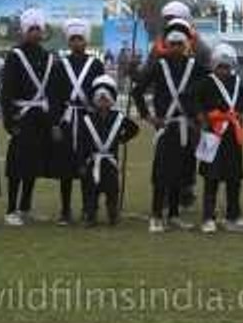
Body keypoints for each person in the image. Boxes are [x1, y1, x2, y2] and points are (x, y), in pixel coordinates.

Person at [131, 16, 207, 233]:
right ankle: (156, 216)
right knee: (162, 173)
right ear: (167, 44)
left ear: (186, 45)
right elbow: (137, 90)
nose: (176, 47)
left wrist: (200, 113)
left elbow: (211, 83)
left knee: (181, 173)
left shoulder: (195, 66)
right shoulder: (159, 66)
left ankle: (174, 215)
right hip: (167, 127)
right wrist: (148, 117)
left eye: (179, 44)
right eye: (172, 44)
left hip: (187, 127)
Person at [0, 8, 55, 226]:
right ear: (24, 31)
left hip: (39, 117)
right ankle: (11, 209)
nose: (35, 33)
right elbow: (7, 91)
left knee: (33, 165)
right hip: (21, 117)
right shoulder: (15, 56)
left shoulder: (47, 57)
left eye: (38, 29)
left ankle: (25, 207)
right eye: (31, 29)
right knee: (17, 166)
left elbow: (50, 90)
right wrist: (9, 121)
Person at [47, 18, 104, 225]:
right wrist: (55, 124)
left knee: (88, 164)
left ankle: (89, 208)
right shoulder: (60, 66)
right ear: (68, 42)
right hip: (67, 119)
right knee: (66, 167)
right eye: (73, 39)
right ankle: (65, 210)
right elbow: (53, 97)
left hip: (88, 120)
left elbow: (102, 92)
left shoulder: (96, 65)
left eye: (80, 39)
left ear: (86, 41)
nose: (77, 42)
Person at [195, 43, 243, 233]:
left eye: (227, 67)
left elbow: (240, 106)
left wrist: (237, 117)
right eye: (220, 66)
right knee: (211, 178)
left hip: (232, 136)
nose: (223, 70)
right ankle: (208, 218)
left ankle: (233, 217)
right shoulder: (206, 82)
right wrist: (203, 117)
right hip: (213, 135)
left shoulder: (237, 82)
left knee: (234, 178)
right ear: (214, 65)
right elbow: (196, 103)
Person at [77, 74, 139, 226]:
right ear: (95, 100)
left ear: (111, 100)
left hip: (110, 162)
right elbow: (81, 143)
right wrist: (81, 163)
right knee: (91, 190)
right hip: (93, 161)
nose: (103, 102)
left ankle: (113, 215)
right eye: (100, 99)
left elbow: (134, 129)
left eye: (105, 99)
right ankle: (91, 216)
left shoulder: (118, 117)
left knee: (112, 190)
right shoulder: (87, 119)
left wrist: (122, 138)